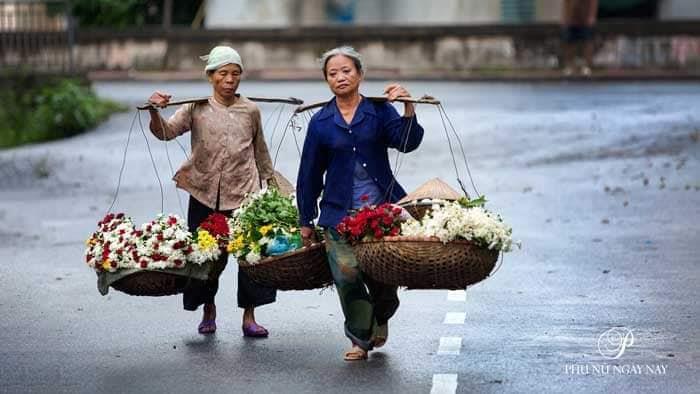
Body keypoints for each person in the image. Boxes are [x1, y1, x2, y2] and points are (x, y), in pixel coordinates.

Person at [296, 46, 424, 361]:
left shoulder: (379, 111)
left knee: (382, 277)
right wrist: (305, 219)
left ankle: (381, 315)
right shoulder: (321, 122)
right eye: (332, 73)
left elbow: (406, 142)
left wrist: (408, 106)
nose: (340, 77)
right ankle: (359, 338)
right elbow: (309, 173)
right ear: (326, 80)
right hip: (338, 213)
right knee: (347, 275)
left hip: (381, 211)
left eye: (346, 71)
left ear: (360, 74)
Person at [146, 46, 277, 337]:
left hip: (243, 192)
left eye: (235, 74)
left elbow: (260, 151)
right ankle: (208, 307)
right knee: (206, 256)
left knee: (250, 256)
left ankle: (249, 316)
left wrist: (270, 184)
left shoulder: (250, 110)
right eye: (223, 74)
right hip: (204, 193)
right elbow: (165, 132)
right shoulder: (195, 108)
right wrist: (155, 111)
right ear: (211, 77)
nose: (230, 80)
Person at [561, 0, 599, 76]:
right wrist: (565, 18)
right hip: (571, 19)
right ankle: (569, 66)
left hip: (585, 19)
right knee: (569, 43)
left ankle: (586, 66)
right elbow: (566, 3)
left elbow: (593, 2)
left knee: (587, 42)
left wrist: (592, 16)